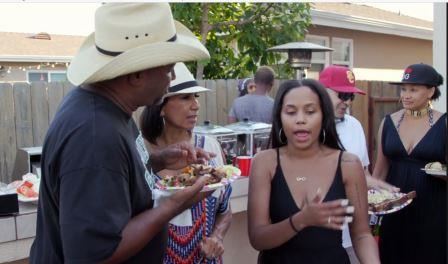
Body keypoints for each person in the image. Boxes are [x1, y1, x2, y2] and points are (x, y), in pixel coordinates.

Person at [29, 3, 215, 263]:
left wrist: (160, 159)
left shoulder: (108, 110)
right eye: (168, 68)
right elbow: (93, 255)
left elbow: (114, 177)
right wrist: (172, 206)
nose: (172, 77)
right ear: (137, 75)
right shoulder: (94, 135)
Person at [248, 79, 380, 263]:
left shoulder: (348, 164)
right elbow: (257, 238)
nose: (301, 119)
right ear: (279, 116)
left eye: (310, 111)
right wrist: (301, 220)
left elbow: (362, 235)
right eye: (291, 112)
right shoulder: (265, 163)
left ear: (324, 115)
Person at [140, 62, 233, 264]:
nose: (196, 105)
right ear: (160, 107)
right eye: (185, 97)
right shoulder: (140, 152)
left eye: (195, 97)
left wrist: (217, 236)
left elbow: (225, 210)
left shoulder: (209, 147)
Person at [319, 65, 399, 263]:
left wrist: (384, 190)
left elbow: (363, 174)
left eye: (351, 96)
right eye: (342, 95)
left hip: (351, 236)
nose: (347, 102)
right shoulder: (306, 128)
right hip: (314, 235)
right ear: (321, 91)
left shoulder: (354, 125)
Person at [372, 63, 446, 264]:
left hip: (434, 211)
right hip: (395, 211)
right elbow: (379, 170)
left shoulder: (444, 123)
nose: (406, 94)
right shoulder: (388, 122)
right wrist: (372, 208)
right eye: (403, 89)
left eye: (413, 89)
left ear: (430, 91)